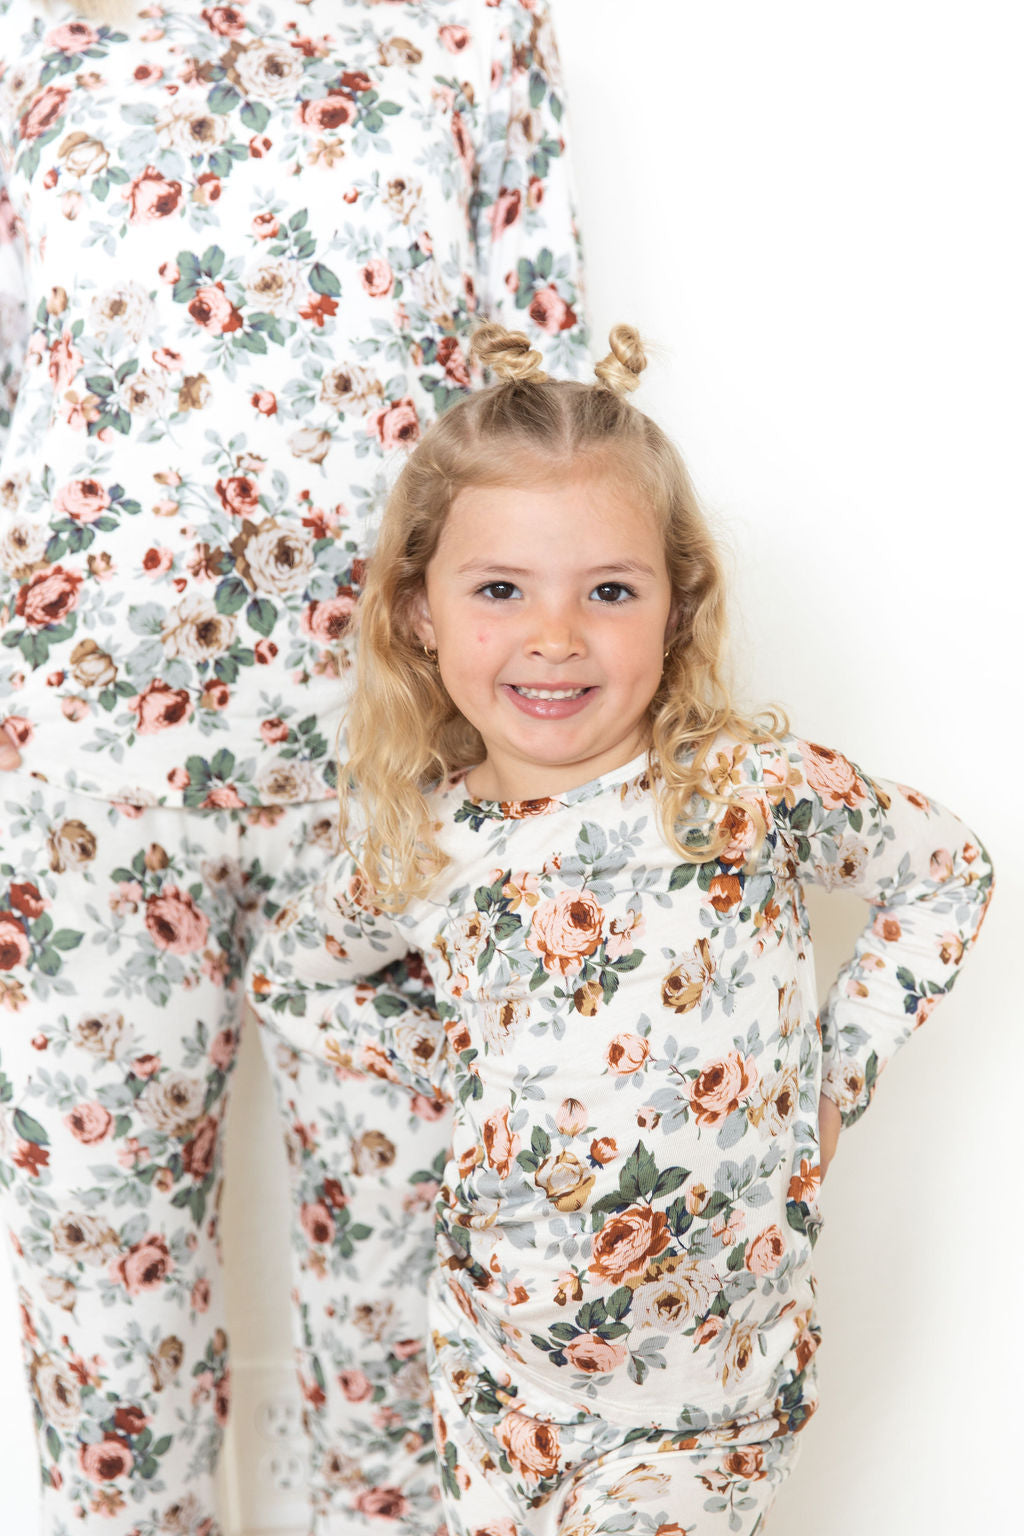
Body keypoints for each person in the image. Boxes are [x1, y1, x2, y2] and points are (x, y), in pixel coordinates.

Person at [248, 321, 994, 1535]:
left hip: (712, 1393)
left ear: (675, 609)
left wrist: (829, 1082)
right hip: (498, 1385)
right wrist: (464, 1074)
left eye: (607, 591)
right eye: (500, 590)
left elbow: (945, 873)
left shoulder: (742, 790)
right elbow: (293, 977)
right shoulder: (422, 845)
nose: (555, 635)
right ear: (420, 611)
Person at [0, 2, 587, 1531]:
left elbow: (549, 408)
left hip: (403, 772)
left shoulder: (477, 29)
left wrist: (554, 750)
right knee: (101, 1309)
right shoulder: (34, 31)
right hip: (80, 777)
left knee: (405, 1303)